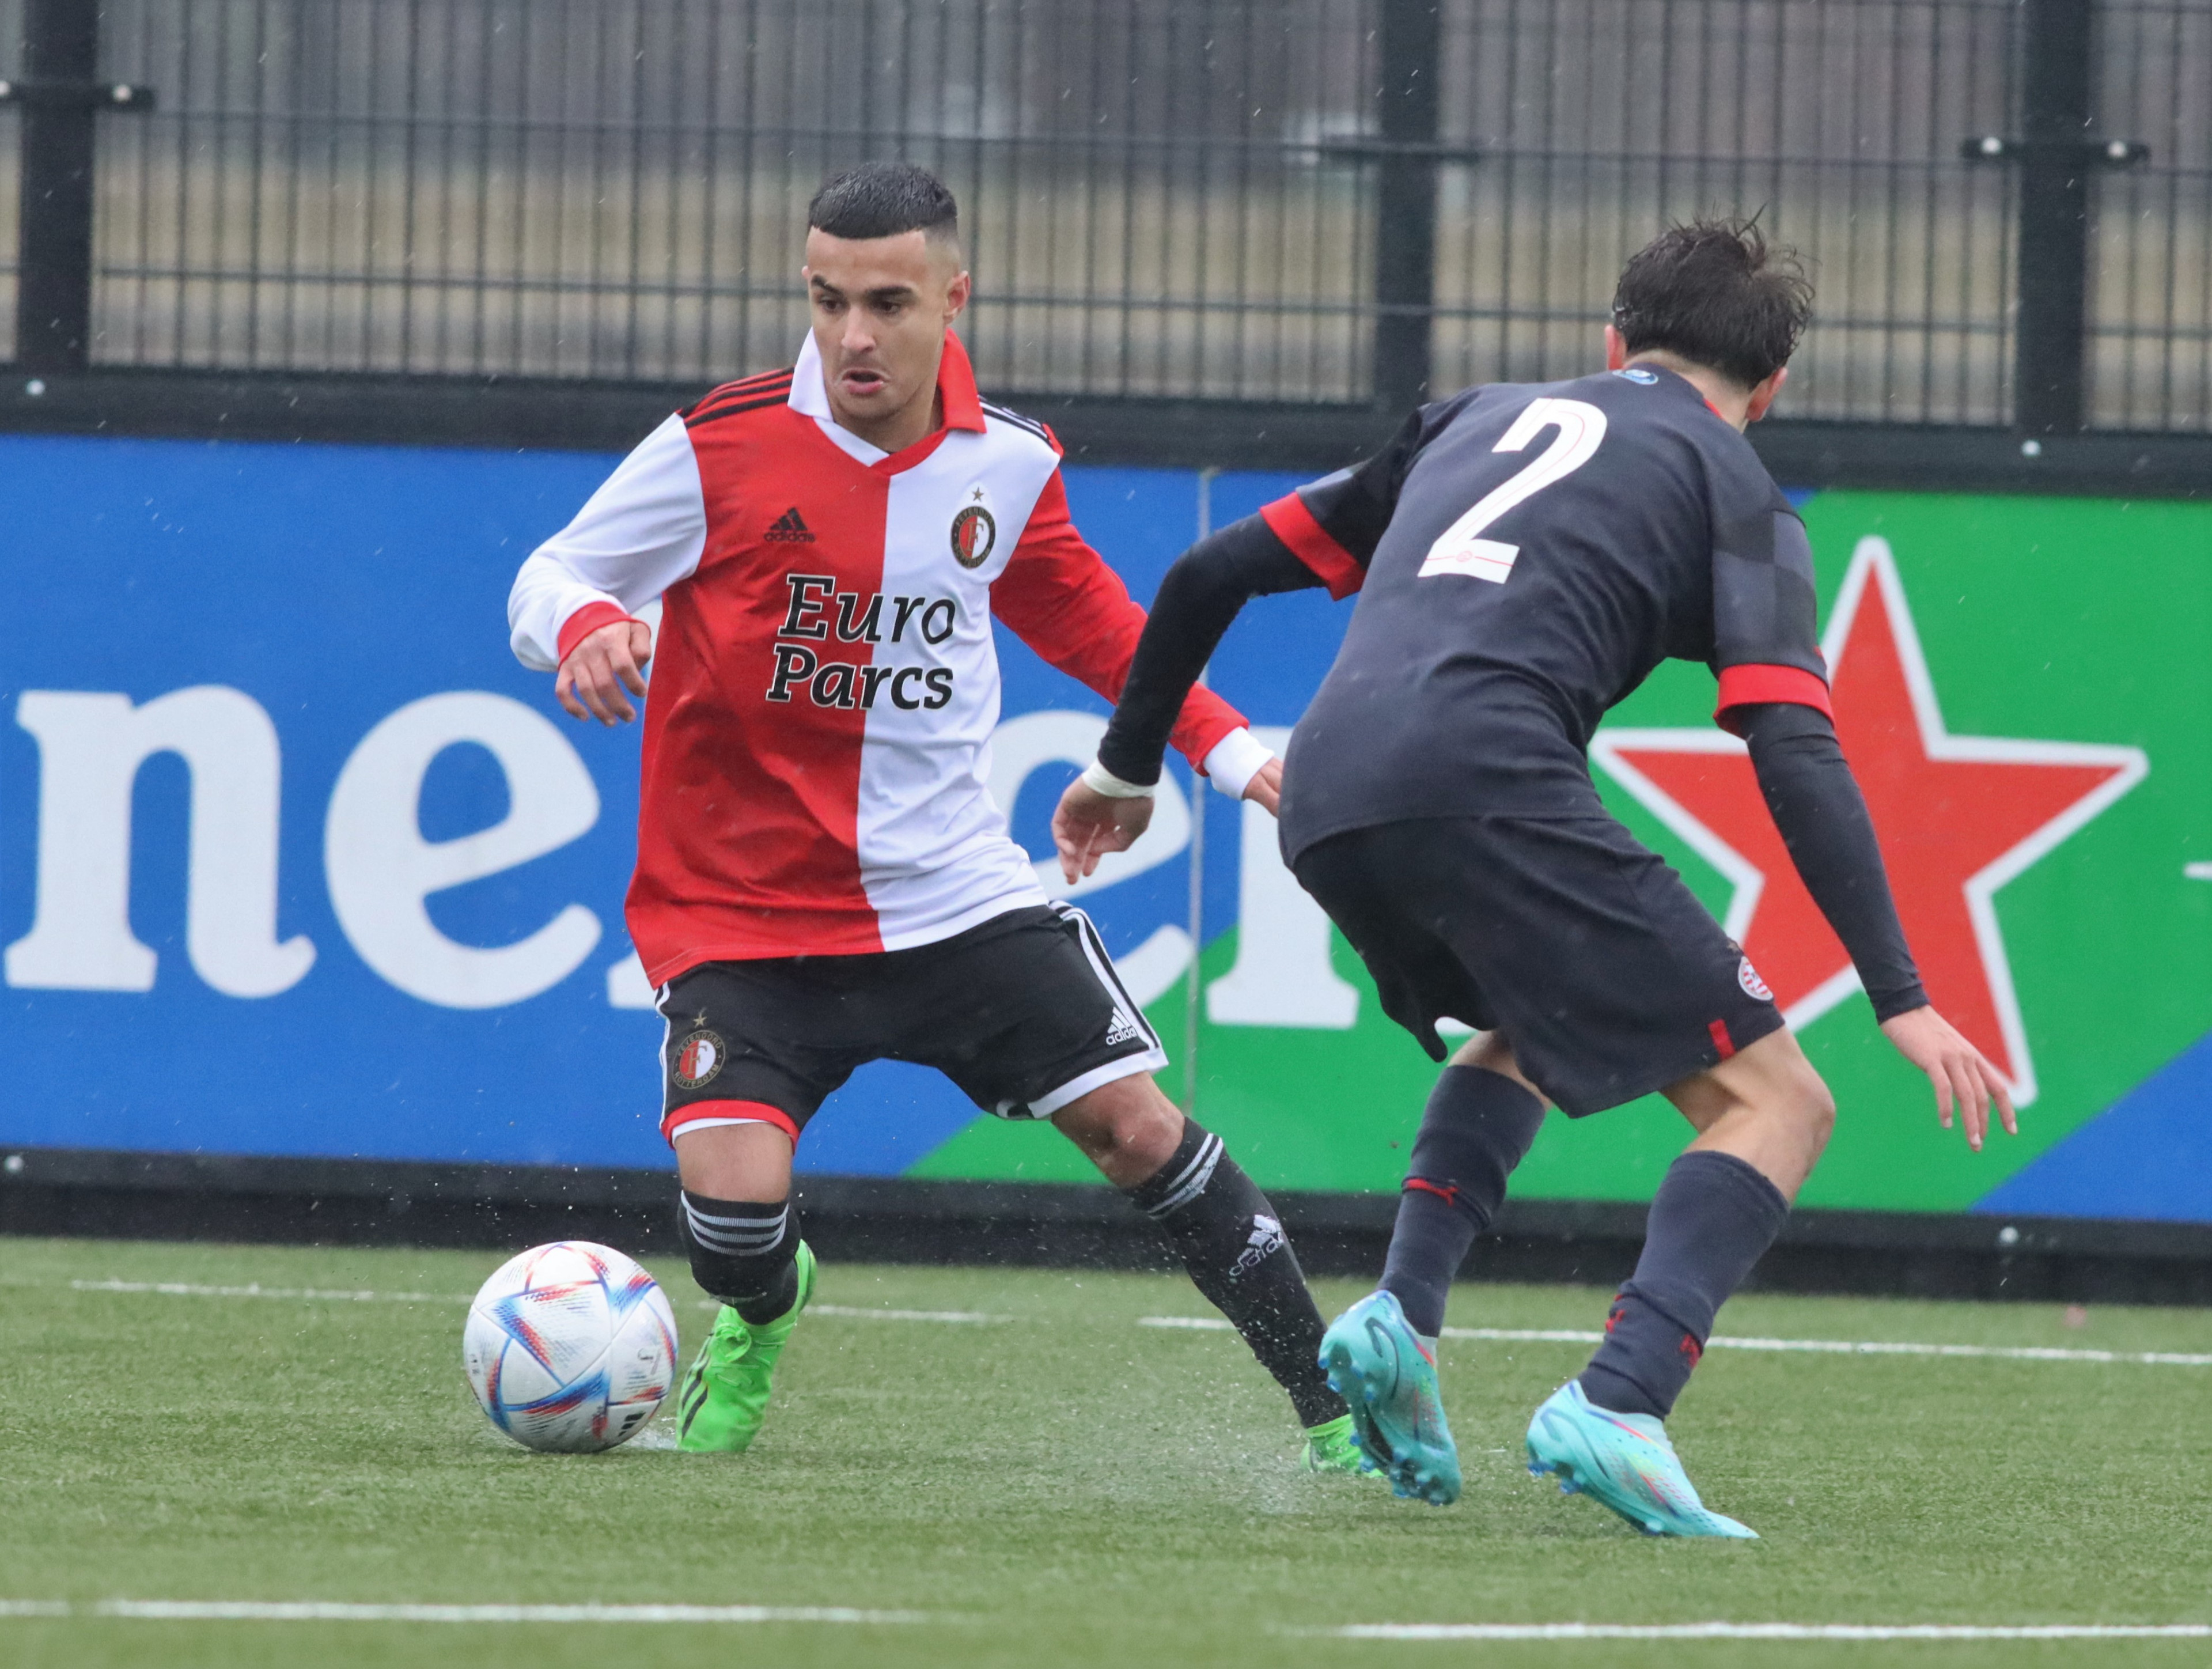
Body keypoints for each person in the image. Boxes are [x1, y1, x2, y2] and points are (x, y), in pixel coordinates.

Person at [1052, 219, 2013, 1536]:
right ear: (1772, 389)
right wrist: (1899, 991)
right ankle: (1622, 1400)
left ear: (1611, 343)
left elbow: (1210, 571)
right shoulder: (1738, 490)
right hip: (1486, 779)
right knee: (1779, 1102)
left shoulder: (1476, 416)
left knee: (1519, 1025)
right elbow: (1792, 739)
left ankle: (1402, 1318)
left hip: (1326, 791)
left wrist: (1125, 764)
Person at [506, 161, 1368, 1473]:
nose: (854, 335)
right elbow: (554, 570)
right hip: (742, 920)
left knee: (1137, 1128)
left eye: (889, 303)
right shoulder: (719, 446)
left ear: (954, 301)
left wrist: (1230, 748)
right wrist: (584, 630)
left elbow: (1095, 620)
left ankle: (1338, 1416)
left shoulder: (1007, 464)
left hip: (953, 899)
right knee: (733, 1230)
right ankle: (767, 1308)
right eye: (828, 300)